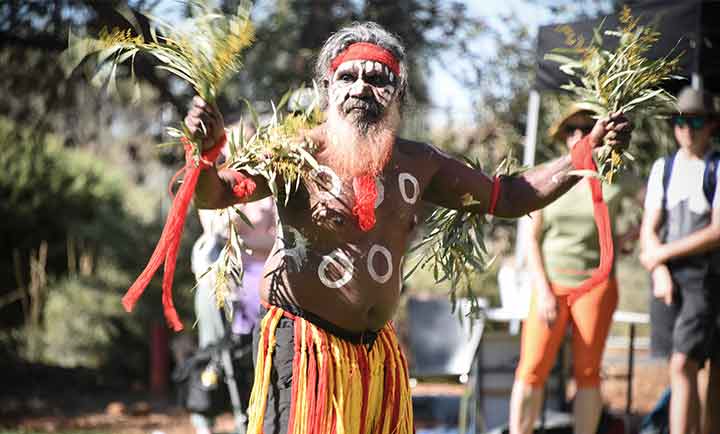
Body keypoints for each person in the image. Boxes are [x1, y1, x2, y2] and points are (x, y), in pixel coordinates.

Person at [185, 22, 632, 434]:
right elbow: (219, 193)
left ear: (398, 95)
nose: (362, 87)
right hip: (305, 352)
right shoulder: (295, 153)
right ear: (327, 90)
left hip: (376, 357)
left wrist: (583, 156)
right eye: (348, 76)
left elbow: (507, 196)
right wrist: (207, 152)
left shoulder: (419, 164)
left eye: (379, 79)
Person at [507, 107, 643, 434]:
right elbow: (532, 240)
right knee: (532, 369)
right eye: (572, 130)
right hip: (551, 283)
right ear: (564, 136)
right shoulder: (549, 174)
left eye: (587, 128)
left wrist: (630, 237)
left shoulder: (613, 175)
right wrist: (542, 290)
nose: (580, 135)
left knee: (587, 372)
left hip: (595, 284)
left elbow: (652, 204)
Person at [639, 86, 720, 434]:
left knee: (684, 364)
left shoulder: (716, 168)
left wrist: (661, 254)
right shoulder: (663, 168)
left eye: (696, 120)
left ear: (711, 125)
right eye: (680, 121)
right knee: (681, 367)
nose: (687, 129)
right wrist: (658, 268)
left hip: (705, 279)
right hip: (668, 281)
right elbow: (648, 227)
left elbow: (717, 231)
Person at [190, 197, 276, 434]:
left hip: (259, 282)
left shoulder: (268, 191)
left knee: (253, 354)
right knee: (212, 350)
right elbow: (213, 227)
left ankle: (247, 419)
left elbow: (279, 239)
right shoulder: (216, 184)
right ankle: (203, 418)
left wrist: (241, 239)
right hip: (218, 282)